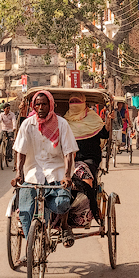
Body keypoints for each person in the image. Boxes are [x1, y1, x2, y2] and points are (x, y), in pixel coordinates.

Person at [12, 90, 77, 238]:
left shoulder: (62, 124)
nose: (41, 108)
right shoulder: (27, 124)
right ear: (33, 107)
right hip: (33, 174)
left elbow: (68, 152)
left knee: (61, 204)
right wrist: (18, 174)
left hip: (57, 172)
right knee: (25, 211)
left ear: (51, 105)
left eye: (44, 104)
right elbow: (20, 151)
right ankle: (30, 247)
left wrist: (67, 176)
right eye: (38, 104)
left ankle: (62, 223)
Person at [64, 93, 107, 220]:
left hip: (89, 157)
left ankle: (87, 209)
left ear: (84, 103)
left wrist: (109, 121)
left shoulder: (93, 119)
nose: (75, 104)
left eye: (78, 101)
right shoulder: (64, 120)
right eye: (72, 101)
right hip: (68, 158)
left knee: (84, 175)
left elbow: (105, 134)